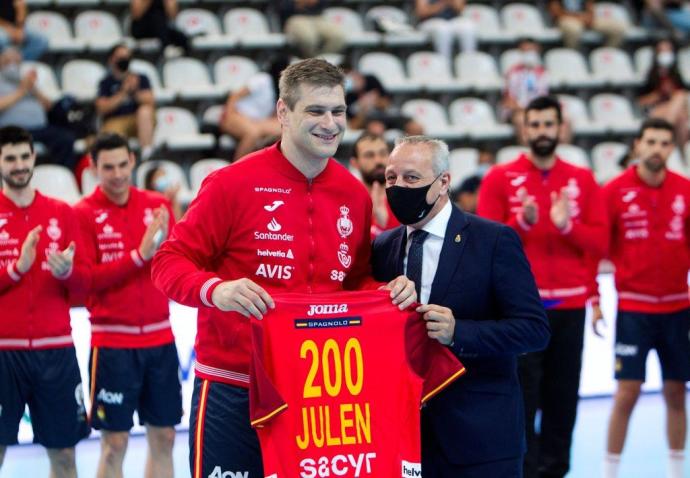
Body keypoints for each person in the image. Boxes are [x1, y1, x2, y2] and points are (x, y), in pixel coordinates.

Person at [151, 58, 416, 478]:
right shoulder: (231, 183)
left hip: (318, 398)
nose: (330, 123)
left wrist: (387, 290)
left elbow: (355, 279)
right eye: (315, 111)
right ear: (282, 113)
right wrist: (215, 290)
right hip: (233, 384)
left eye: (338, 111)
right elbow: (168, 262)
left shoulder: (353, 193)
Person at [371, 135, 550, 477]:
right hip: (404, 439)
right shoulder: (383, 247)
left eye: (411, 178)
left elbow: (534, 330)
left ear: (444, 183)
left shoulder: (493, 240)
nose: (398, 187)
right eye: (391, 178)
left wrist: (459, 332)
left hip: (482, 438)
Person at [477, 95, 607, 478]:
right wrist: (522, 224)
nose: (542, 132)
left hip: (569, 308)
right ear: (524, 128)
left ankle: (557, 472)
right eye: (535, 125)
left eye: (549, 124)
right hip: (521, 311)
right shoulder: (500, 178)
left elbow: (602, 245)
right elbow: (486, 249)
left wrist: (568, 226)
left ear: (560, 128)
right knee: (522, 400)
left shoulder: (582, 180)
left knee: (563, 400)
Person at [74, 133, 180, 478]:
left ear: (133, 162)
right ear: (93, 168)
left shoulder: (157, 204)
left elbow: (174, 262)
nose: (118, 174)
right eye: (108, 167)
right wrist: (138, 257)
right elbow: (84, 282)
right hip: (113, 345)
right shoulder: (83, 213)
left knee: (164, 437)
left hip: (160, 341)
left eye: (123, 165)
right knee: (115, 442)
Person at [600, 118, 690, 478]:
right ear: (638, 145)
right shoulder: (614, 191)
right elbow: (597, 249)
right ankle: (609, 473)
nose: (657, 149)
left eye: (664, 143)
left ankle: (676, 471)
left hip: (678, 307)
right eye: (651, 141)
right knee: (627, 393)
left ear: (672, 148)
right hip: (634, 308)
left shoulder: (686, 190)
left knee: (675, 392)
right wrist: (593, 300)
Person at [0, 126, 89, 478]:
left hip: (56, 353)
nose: (19, 165)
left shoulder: (62, 213)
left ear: (34, 157)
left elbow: (84, 287)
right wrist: (15, 269)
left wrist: (68, 273)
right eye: (10, 158)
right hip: (4, 354)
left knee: (65, 456)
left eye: (24, 156)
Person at [0, 47, 77, 170]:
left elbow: (48, 107)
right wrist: (21, 91)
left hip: (39, 128)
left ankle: (61, 175)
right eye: (7, 61)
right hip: (9, 131)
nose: (12, 65)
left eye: (16, 61)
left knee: (65, 138)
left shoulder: (26, 81)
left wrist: (33, 89)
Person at [96, 44, 156, 161]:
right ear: (111, 59)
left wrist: (135, 92)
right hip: (116, 121)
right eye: (120, 57)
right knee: (111, 132)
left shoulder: (140, 78)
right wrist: (123, 92)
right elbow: (102, 108)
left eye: (126, 57)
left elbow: (150, 101)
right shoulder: (106, 82)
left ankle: (147, 154)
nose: (124, 60)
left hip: (137, 120)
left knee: (145, 111)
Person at [219, 58, 286, 162]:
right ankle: (237, 169)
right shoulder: (263, 79)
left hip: (257, 121)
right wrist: (229, 114)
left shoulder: (281, 90)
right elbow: (235, 96)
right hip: (237, 115)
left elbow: (274, 114)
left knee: (287, 130)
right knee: (252, 134)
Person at [343, 63, 424, 137]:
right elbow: (354, 125)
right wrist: (363, 110)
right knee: (377, 130)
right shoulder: (344, 95)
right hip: (369, 120)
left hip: (388, 115)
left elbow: (387, 103)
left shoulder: (371, 80)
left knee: (416, 128)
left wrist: (374, 102)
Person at [638, 38, 689, 147]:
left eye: (668, 50)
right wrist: (659, 94)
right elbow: (641, 101)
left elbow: (683, 96)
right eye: (662, 50)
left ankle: (678, 149)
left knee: (681, 112)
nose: (665, 54)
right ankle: (681, 151)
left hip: (675, 112)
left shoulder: (676, 75)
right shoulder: (650, 76)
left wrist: (672, 93)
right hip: (656, 110)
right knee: (680, 107)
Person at [349, 132, 399, 239]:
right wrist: (380, 227)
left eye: (383, 153)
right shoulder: (346, 204)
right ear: (355, 163)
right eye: (369, 155)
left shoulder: (405, 197)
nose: (378, 160)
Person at [501, 38, 550, 144]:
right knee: (522, 120)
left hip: (538, 110)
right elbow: (508, 100)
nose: (529, 54)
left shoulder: (543, 73)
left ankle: (557, 152)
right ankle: (529, 152)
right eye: (526, 51)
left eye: (531, 50)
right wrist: (524, 109)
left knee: (564, 120)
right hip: (517, 111)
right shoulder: (512, 72)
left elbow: (544, 98)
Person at [279, 0, 345, 58]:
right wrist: (295, 2)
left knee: (338, 36)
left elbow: (328, 3)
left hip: (318, 17)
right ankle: (311, 62)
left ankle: (322, 62)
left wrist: (317, 1)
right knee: (308, 37)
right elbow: (279, 6)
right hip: (295, 17)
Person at [548, 0, 626, 49]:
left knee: (617, 28)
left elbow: (590, 6)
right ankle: (573, 56)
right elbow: (556, 12)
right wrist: (578, 18)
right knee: (574, 30)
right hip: (566, 18)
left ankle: (607, 57)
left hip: (585, 18)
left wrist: (589, 17)